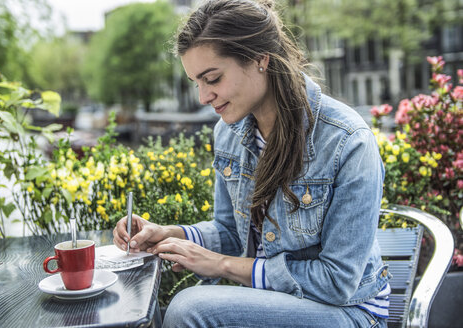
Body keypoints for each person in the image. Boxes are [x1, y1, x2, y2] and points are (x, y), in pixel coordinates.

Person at [113, 0, 391, 327]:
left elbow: (337, 282)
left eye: (213, 79)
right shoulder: (229, 131)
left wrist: (221, 265)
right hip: (280, 301)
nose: (203, 97)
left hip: (350, 312)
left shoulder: (347, 140)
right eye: (196, 83)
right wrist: (172, 234)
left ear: (261, 60)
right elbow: (232, 232)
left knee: (191, 308)